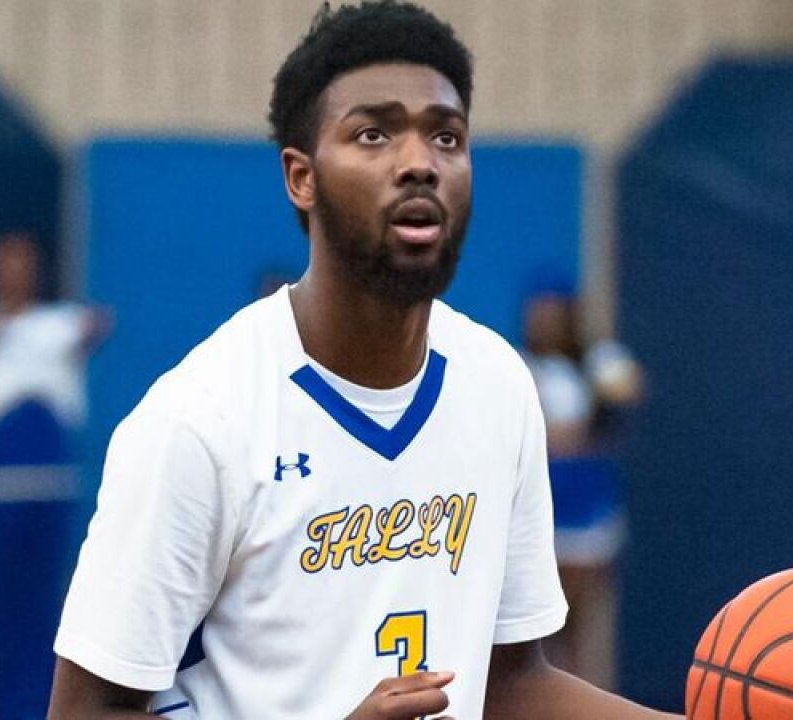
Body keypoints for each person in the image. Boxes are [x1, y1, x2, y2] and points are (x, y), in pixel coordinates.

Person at [47, 3, 678, 719]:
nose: (419, 163)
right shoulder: (199, 420)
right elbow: (85, 710)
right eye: (374, 133)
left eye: (447, 136)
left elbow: (509, 684)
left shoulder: (497, 385)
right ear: (301, 178)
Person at [0, 232, 109, 720]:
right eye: (5, 262)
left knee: (48, 608)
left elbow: (95, 327)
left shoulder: (59, 323)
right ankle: (4, 707)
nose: (14, 272)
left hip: (50, 485)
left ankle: (44, 707)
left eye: (23, 263)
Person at [519, 288, 627, 688]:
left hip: (587, 512)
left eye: (553, 313)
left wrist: (590, 421)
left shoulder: (598, 362)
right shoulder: (519, 365)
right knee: (541, 627)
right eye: (537, 314)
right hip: (542, 512)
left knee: (580, 621)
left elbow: (625, 399)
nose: (545, 323)